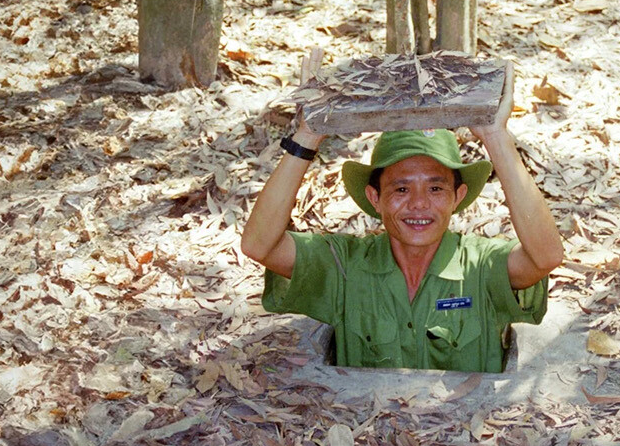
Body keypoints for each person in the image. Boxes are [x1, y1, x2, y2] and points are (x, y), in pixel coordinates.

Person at [240, 106, 564, 373]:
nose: (419, 204)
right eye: (401, 189)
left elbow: (545, 256)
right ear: (375, 197)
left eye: (436, 188)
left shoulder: (480, 266)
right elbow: (260, 245)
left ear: (458, 196)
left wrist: (496, 137)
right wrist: (307, 136)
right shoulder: (345, 266)